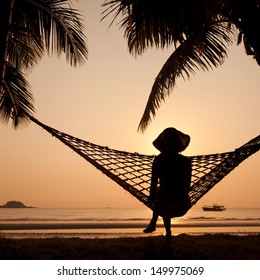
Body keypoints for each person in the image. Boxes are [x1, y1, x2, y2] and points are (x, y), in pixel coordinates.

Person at [143, 127, 192, 238]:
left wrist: (151, 197)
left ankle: (153, 223)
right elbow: (188, 184)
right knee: (163, 195)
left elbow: (154, 181)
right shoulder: (185, 161)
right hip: (179, 201)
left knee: (162, 195)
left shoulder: (159, 160)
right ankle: (168, 231)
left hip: (173, 200)